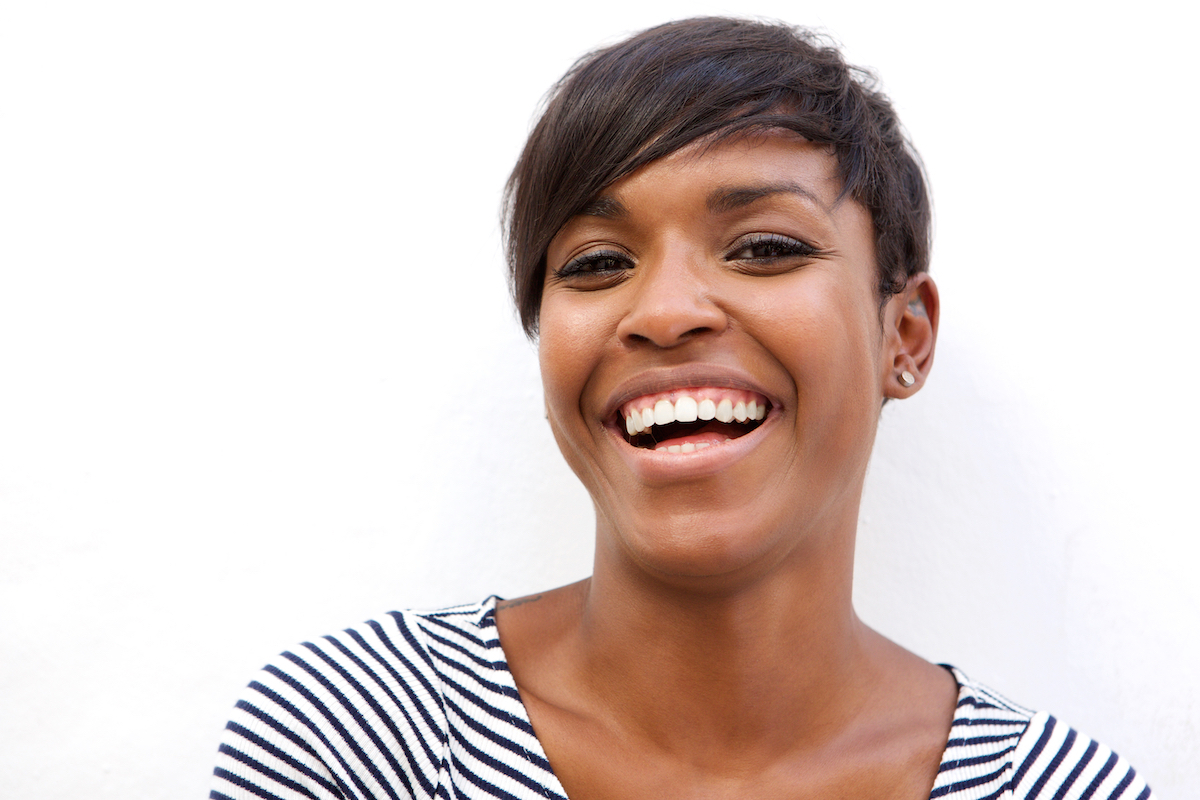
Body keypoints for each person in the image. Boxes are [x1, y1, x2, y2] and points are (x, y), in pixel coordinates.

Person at [210, 17, 1153, 800]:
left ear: (903, 336)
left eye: (766, 248)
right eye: (594, 264)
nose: (663, 313)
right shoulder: (360, 738)